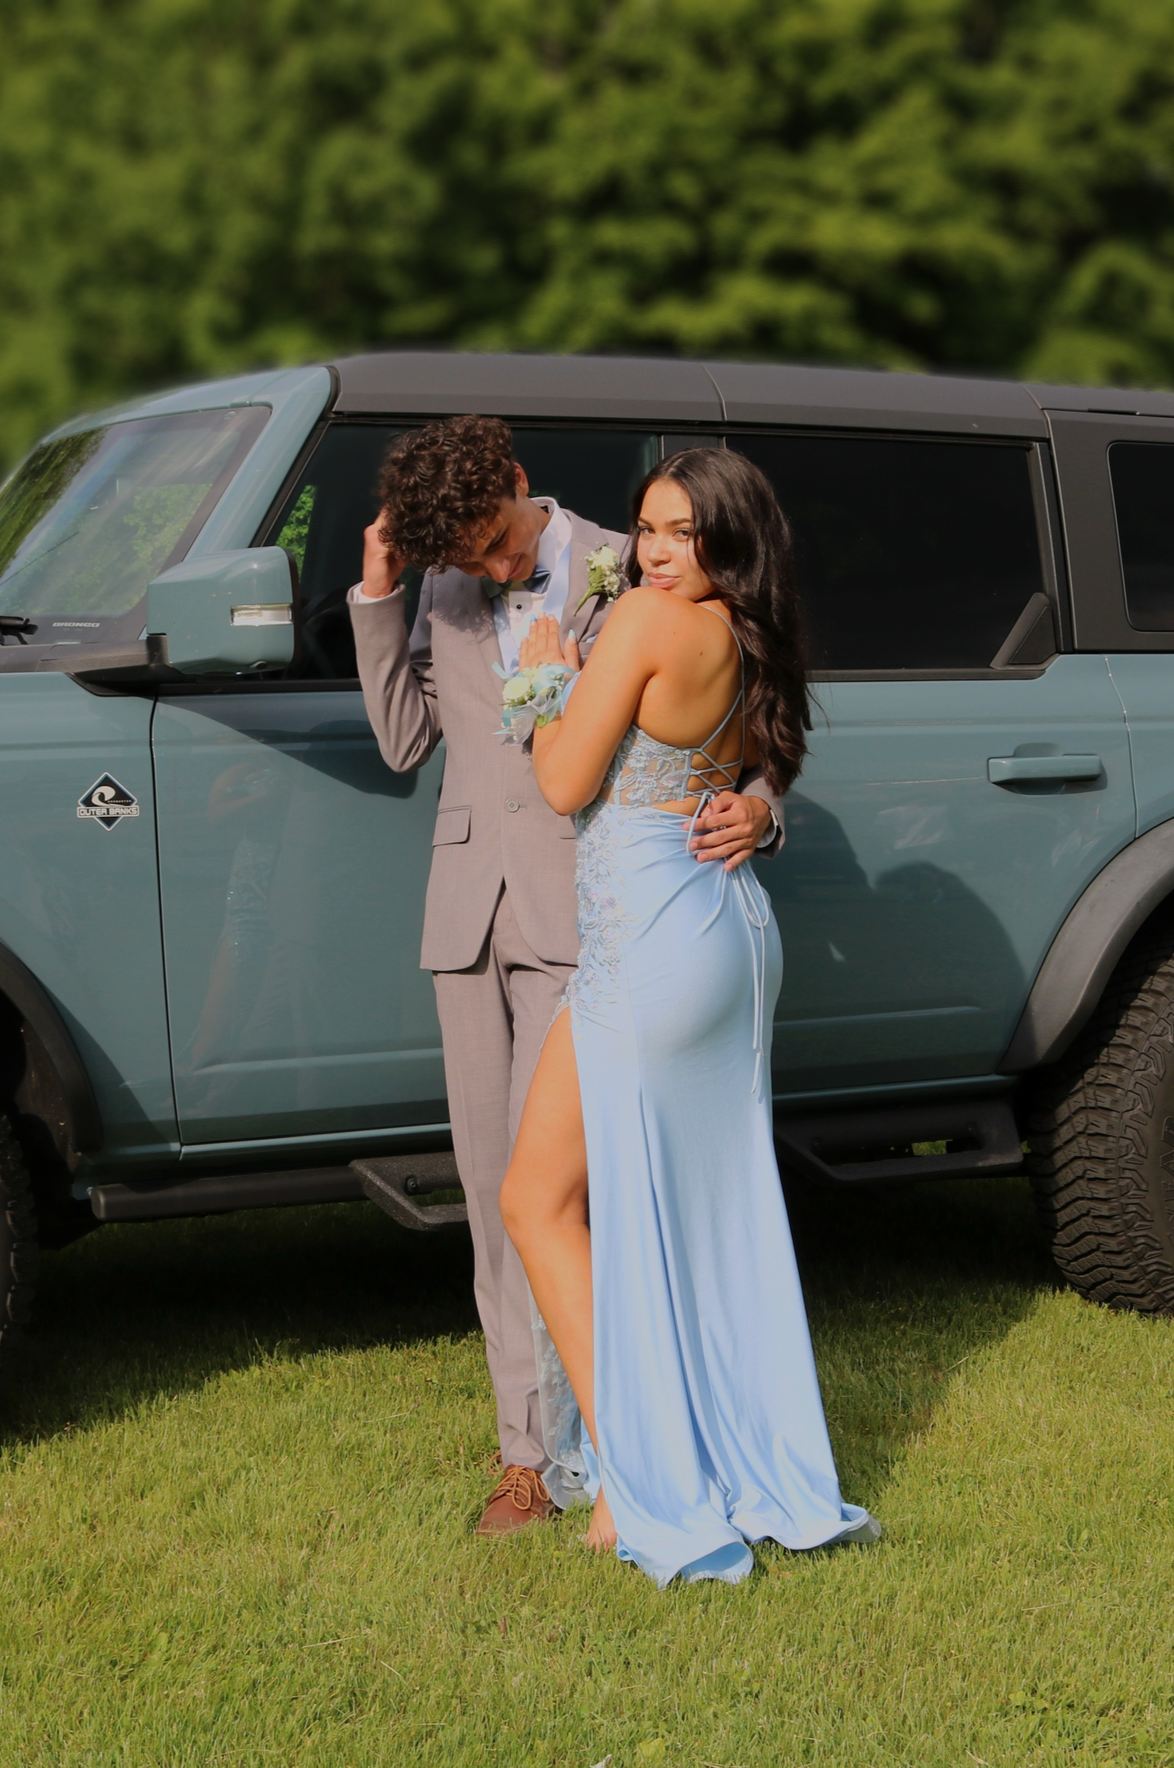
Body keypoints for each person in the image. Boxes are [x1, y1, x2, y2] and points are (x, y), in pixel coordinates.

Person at [348, 417, 785, 1536]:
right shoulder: (436, 584)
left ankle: (611, 1451)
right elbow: (402, 742)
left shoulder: (633, 563)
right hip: (467, 914)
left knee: (571, 1197)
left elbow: (742, 704)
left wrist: (763, 806)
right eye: (471, 560)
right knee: (497, 1195)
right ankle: (528, 1456)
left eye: (500, 544)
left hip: (592, 914)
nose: (496, 570)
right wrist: (380, 592)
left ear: (519, 483)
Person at [498, 447, 876, 1586]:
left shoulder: (646, 625)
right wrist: (758, 809)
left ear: (731, 538)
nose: (655, 551)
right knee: (703, 1220)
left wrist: (538, 680)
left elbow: (562, 784)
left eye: (682, 531)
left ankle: (639, 1481)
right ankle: (683, 1461)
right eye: (647, 528)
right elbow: (756, 766)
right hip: (725, 937)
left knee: (539, 1201)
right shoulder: (750, 633)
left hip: (651, 952)